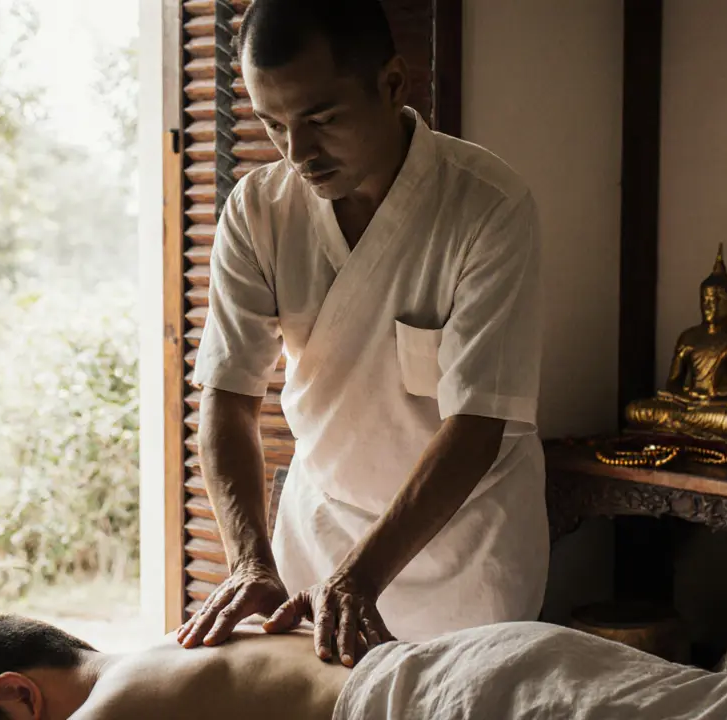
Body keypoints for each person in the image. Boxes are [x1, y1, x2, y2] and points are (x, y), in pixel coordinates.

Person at [179, 0, 548, 666]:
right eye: (272, 124)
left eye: (321, 120)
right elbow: (228, 398)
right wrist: (248, 562)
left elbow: (476, 423)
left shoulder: (487, 205)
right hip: (318, 530)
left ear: (393, 84)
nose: (297, 153)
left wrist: (359, 577)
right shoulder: (259, 210)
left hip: (464, 550)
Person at [0, 613, 727, 720]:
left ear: (19, 697)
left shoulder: (109, 710)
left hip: (453, 701)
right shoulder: (167, 650)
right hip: (480, 660)